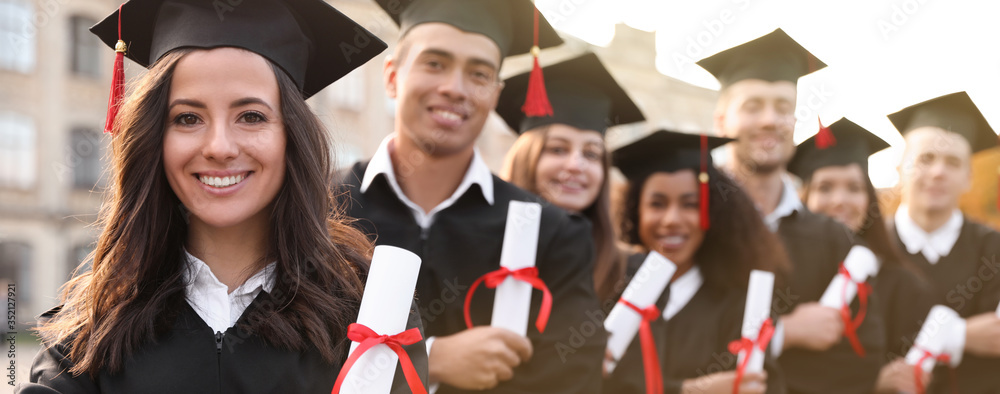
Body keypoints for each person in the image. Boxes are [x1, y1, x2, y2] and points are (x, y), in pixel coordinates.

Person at [19, 0, 429, 392]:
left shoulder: (370, 316)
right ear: (155, 138)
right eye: (188, 118)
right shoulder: (89, 331)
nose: (219, 146)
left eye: (251, 116)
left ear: (292, 136)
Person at [339, 0, 605, 392]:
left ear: (495, 94)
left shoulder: (555, 234)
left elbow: (573, 379)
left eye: (479, 74)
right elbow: (279, 360)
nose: (455, 89)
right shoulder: (318, 206)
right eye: (435, 63)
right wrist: (431, 358)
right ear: (392, 76)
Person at [696, 28, 885, 393]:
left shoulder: (833, 239)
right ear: (721, 120)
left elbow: (861, 360)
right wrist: (785, 334)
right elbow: (671, 336)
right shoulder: (692, 220)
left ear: (795, 122)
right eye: (753, 106)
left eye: (783, 107)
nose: (769, 119)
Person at [602, 130, 789, 394]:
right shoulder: (608, 287)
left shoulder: (740, 303)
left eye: (690, 205)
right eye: (657, 204)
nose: (671, 219)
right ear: (636, 212)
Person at [788, 118, 936, 393]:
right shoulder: (782, 274)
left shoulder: (905, 287)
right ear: (803, 198)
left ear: (869, 202)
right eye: (825, 188)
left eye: (854, 188)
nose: (840, 200)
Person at [497, 52, 645, 306]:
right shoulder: (478, 244)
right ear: (525, 159)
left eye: (591, 154)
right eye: (557, 149)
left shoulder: (630, 272)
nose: (576, 165)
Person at [886, 91, 1000, 394]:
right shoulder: (866, 247)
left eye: (952, 162)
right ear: (900, 169)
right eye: (926, 158)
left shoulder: (994, 250)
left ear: (969, 177)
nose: (938, 172)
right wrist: (962, 335)